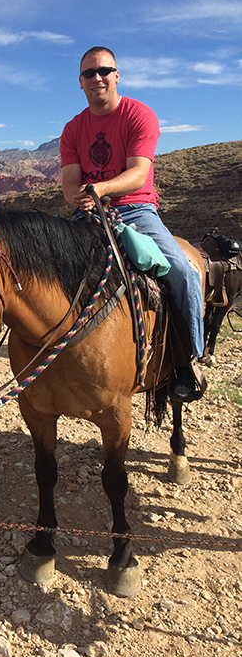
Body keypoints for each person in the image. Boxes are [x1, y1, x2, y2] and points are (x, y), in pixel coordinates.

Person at [60, 46, 205, 402]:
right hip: (87, 215)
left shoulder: (139, 114)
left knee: (182, 274)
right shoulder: (73, 129)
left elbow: (139, 174)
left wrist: (100, 188)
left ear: (117, 75)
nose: (97, 78)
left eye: (104, 71)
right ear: (80, 82)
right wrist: (78, 198)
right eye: (89, 73)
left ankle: (189, 359)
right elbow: (69, 183)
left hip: (136, 212)